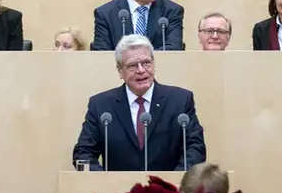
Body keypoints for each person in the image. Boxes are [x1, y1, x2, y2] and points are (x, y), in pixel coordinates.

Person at [73, 34, 206, 171]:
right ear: (120, 71)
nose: (141, 70)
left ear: (153, 64)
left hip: (168, 184)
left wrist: (175, 180)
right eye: (132, 65)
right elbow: (83, 153)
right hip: (117, 184)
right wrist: (104, 180)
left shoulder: (180, 100)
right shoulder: (101, 105)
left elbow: (196, 148)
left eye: (146, 63)